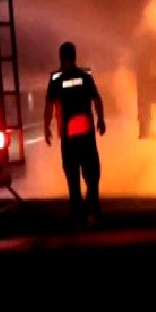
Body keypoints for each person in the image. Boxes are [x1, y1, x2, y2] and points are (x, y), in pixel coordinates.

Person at [45, 42, 106, 226]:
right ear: (75, 55)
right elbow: (97, 100)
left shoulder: (56, 80)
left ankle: (77, 214)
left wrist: (46, 127)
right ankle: (93, 210)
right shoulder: (85, 76)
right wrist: (100, 120)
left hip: (69, 138)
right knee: (92, 173)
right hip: (87, 136)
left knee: (72, 176)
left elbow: (49, 106)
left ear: (61, 57)